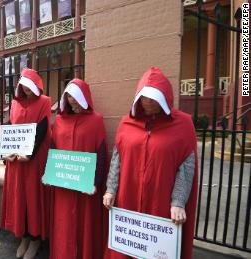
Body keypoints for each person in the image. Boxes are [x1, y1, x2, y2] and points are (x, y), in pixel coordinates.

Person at [103, 67, 198, 259]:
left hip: (161, 202)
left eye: (154, 98)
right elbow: (117, 157)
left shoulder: (183, 124)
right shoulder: (126, 123)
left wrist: (178, 201)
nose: (148, 102)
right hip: (128, 199)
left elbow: (186, 163)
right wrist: (111, 189)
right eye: (144, 98)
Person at [49, 79, 108, 259]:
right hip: (63, 185)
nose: (72, 100)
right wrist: (51, 174)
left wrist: (96, 183)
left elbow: (101, 153)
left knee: (84, 224)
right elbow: (53, 149)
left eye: (75, 96)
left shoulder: (96, 120)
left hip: (86, 187)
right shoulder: (58, 120)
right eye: (69, 96)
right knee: (64, 223)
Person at [0, 68, 51, 259]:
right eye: (24, 87)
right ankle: (25, 236)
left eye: (30, 87)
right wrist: (6, 152)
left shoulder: (44, 101)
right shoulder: (14, 103)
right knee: (20, 198)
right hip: (17, 163)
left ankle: (36, 238)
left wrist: (29, 154)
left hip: (33, 161)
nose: (27, 90)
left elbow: (43, 129)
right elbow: (11, 130)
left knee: (33, 199)